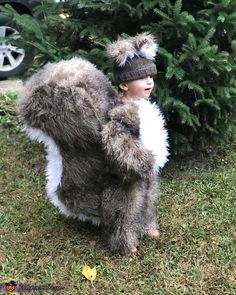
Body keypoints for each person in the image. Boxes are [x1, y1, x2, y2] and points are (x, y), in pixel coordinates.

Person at [17, 32, 169, 255]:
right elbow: (117, 145)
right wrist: (141, 163)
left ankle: (146, 225)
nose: (149, 82)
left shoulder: (143, 106)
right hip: (122, 176)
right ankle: (123, 242)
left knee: (146, 195)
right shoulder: (122, 113)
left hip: (144, 169)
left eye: (151, 77)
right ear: (124, 85)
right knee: (123, 207)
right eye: (142, 78)